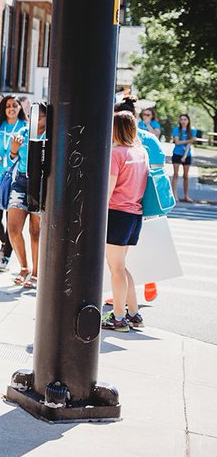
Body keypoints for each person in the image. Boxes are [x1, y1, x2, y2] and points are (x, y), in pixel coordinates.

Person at [103, 111, 151, 332]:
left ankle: (119, 317)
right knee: (121, 267)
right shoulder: (141, 152)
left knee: (116, 269)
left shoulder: (116, 154)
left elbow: (109, 191)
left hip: (117, 214)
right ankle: (133, 314)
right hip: (134, 215)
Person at [0, 96, 27, 271]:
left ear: (19, 108)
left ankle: (6, 255)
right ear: (3, 109)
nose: (11, 108)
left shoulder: (24, 127)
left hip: (16, 181)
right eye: (7, 106)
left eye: (14, 105)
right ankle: (4, 241)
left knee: (11, 221)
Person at [6, 103, 46, 289]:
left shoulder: (51, 134)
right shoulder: (22, 131)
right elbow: (11, 159)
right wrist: (14, 149)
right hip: (21, 181)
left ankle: (36, 273)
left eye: (40, 116)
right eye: (32, 115)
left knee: (35, 231)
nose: (34, 120)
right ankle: (24, 267)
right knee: (13, 228)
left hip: (42, 183)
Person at [171, 113, 198, 203]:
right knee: (175, 175)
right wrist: (190, 140)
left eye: (185, 119)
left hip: (187, 155)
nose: (183, 121)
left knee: (186, 176)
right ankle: (174, 196)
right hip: (176, 154)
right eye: (181, 119)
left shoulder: (192, 130)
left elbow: (188, 145)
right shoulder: (176, 129)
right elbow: (177, 142)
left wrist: (185, 155)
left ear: (188, 120)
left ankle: (186, 196)